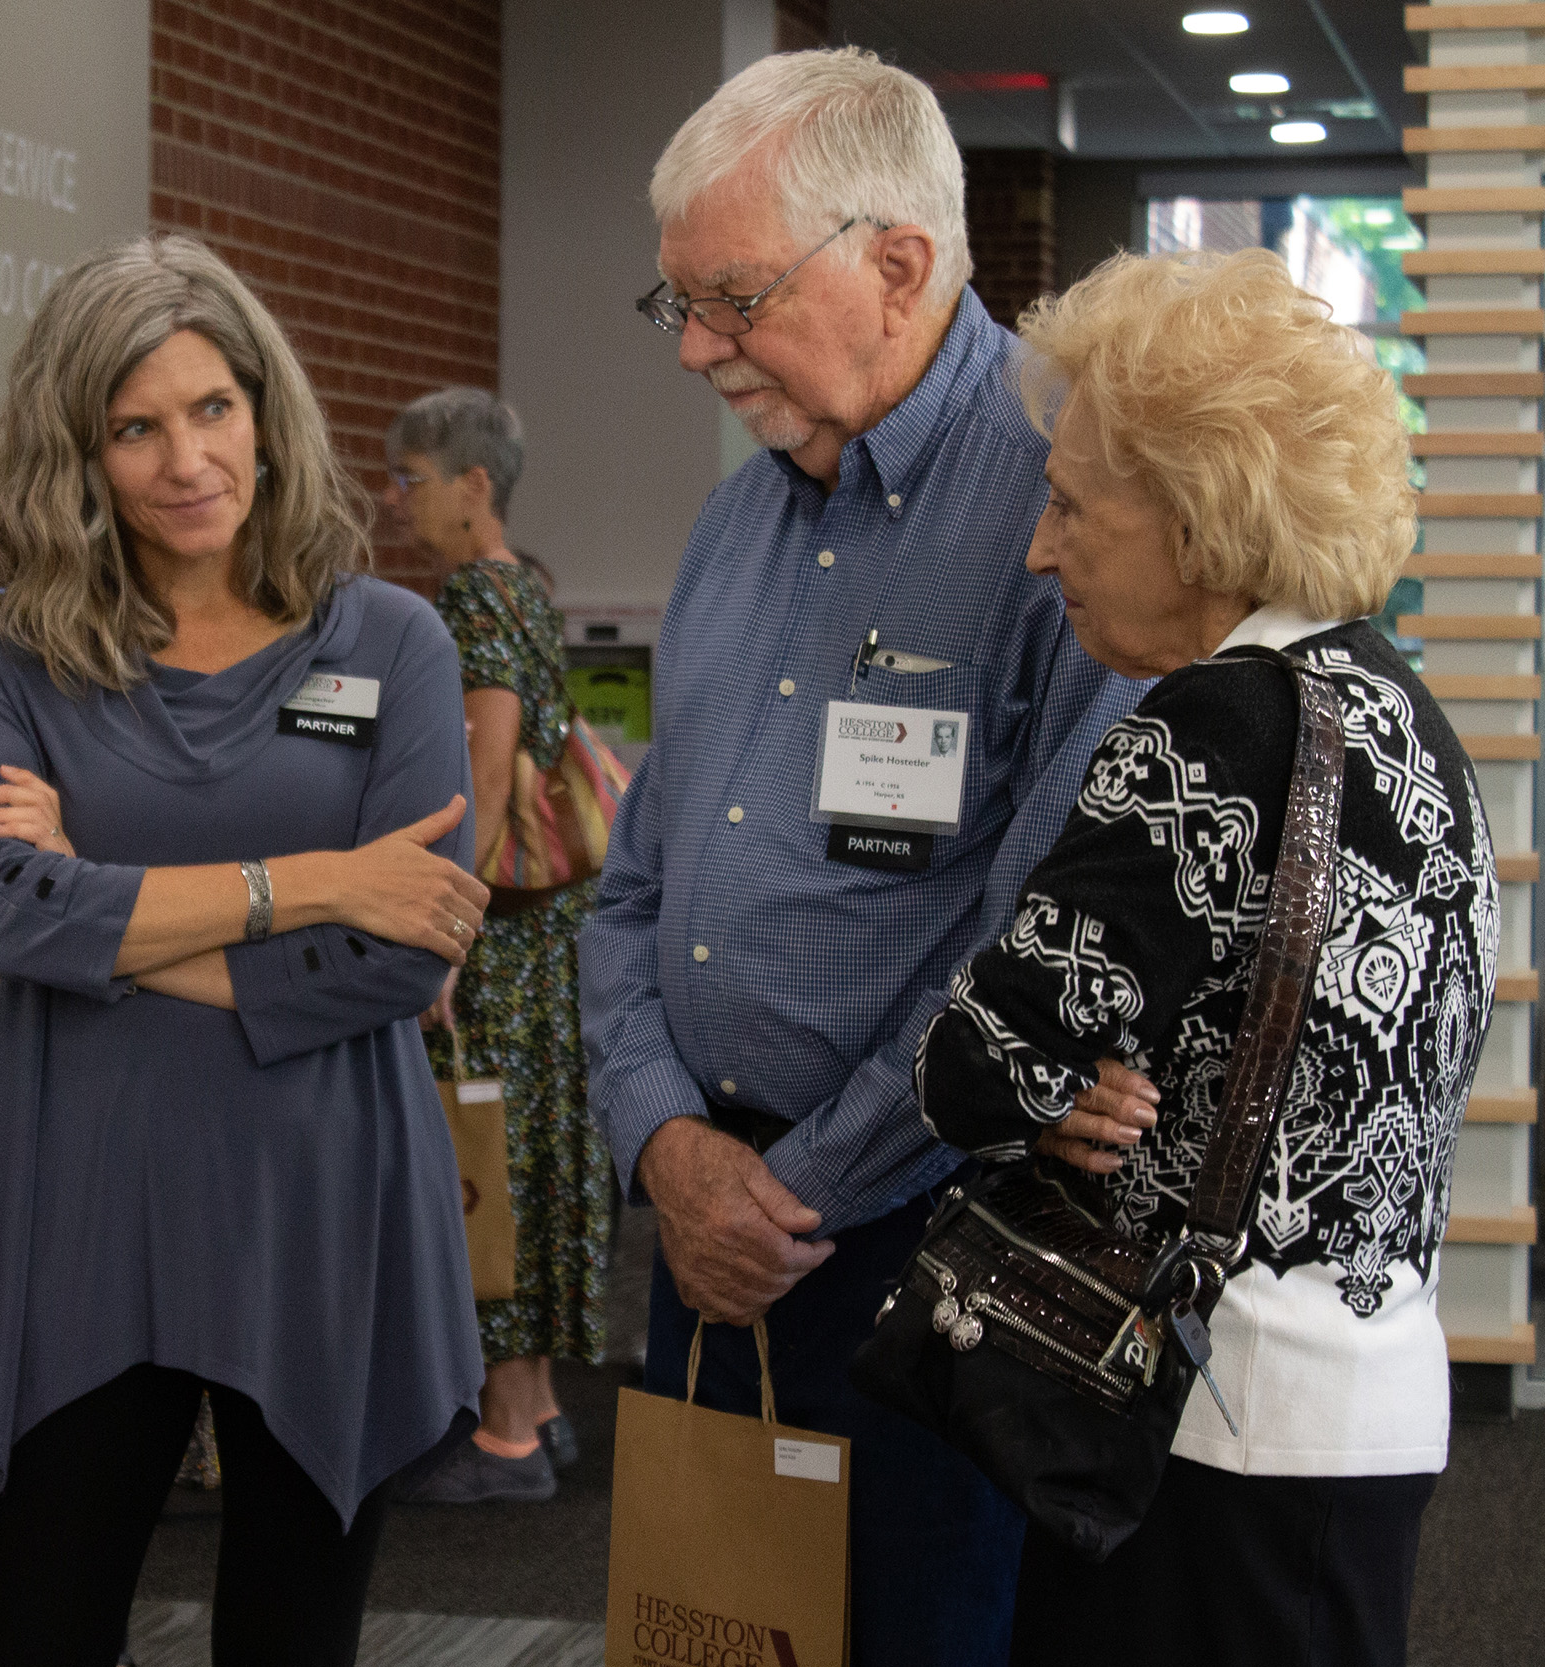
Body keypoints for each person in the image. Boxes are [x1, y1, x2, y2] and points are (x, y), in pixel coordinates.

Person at [579, 48, 1143, 1663]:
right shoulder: (731, 526)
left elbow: (1035, 937)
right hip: (706, 1228)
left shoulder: (1071, 506)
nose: (694, 347)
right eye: (671, 302)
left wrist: (787, 1193)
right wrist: (667, 1149)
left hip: (929, 1247)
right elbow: (632, 897)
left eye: (732, 295)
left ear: (898, 264)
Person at [0, 233, 492, 1667]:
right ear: (79, 452)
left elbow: (407, 956)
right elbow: (2, 912)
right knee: (37, 1626)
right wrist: (316, 879)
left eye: (213, 408)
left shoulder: (394, 639)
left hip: (321, 1179)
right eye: (136, 427)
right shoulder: (14, 647)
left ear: (265, 407)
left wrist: (102, 906)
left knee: (293, 1634)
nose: (187, 458)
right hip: (86, 1180)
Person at [918, 248, 1492, 1667]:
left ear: (1195, 512)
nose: (1040, 548)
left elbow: (977, 1067)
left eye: (1068, 505)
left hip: (1193, 1413)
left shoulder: (1206, 730)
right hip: (1368, 1407)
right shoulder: (1406, 714)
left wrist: (1052, 1077)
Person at [380, 387, 613, 1505]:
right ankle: (544, 1413)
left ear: (474, 486)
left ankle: (507, 1432)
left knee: (488, 1163)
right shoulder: (526, 583)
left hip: (501, 945)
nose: (398, 500)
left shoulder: (473, 591)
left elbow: (479, 775)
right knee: (531, 1157)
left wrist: (444, 939)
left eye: (412, 477)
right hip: (545, 939)